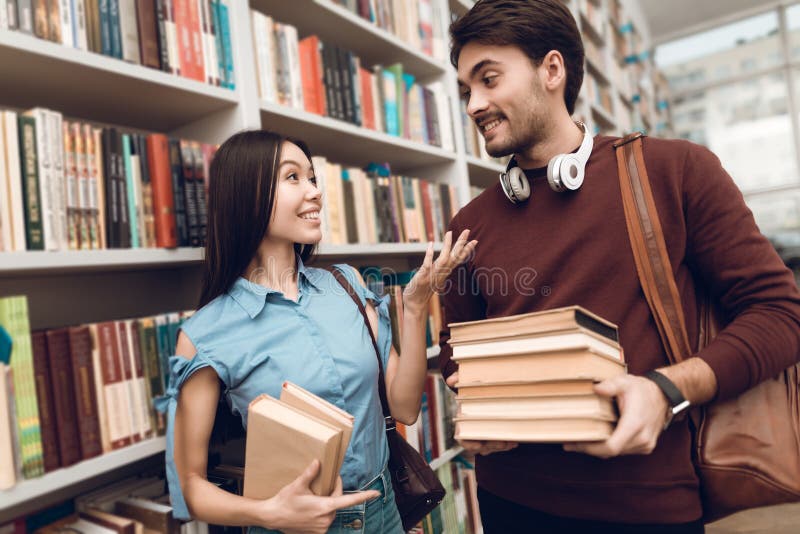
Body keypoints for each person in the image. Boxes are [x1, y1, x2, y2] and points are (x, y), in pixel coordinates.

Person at [438, 1, 800, 533]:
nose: (474, 104)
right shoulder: (467, 224)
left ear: (552, 70)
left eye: (488, 79)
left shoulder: (675, 171)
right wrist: (470, 402)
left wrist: (666, 389)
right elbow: (455, 350)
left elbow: (779, 315)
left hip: (645, 507)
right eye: (466, 89)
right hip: (507, 498)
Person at [157, 130, 477, 534]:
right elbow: (189, 487)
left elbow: (405, 408)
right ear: (246, 194)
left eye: (312, 178)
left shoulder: (346, 284)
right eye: (293, 178)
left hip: (386, 512)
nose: (314, 192)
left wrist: (413, 309)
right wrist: (270, 514)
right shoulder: (204, 334)